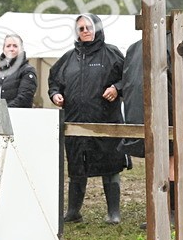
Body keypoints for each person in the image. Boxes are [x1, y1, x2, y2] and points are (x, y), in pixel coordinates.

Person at [48, 14, 127, 225]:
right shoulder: (68, 58)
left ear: (97, 28)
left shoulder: (111, 54)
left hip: (106, 123)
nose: (85, 31)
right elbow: (54, 82)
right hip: (75, 124)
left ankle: (113, 213)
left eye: (89, 27)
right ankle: (73, 212)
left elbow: (128, 78)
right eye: (81, 28)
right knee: (76, 167)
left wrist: (116, 88)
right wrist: (55, 94)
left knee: (110, 166)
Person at [0, 34, 38, 108]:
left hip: (16, 114)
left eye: (15, 46)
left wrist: (3, 111)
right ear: (3, 49)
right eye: (8, 46)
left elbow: (24, 98)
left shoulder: (27, 71)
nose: (11, 49)